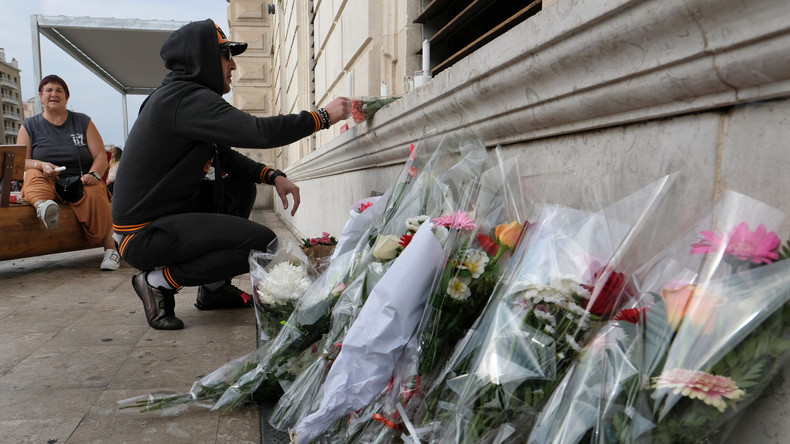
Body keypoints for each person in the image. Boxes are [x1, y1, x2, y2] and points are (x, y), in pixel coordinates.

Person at [111, 19, 350, 330]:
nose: (233, 65)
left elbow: (225, 155)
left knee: (240, 186)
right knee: (261, 244)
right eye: (225, 55)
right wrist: (321, 117)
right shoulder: (184, 98)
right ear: (202, 58)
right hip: (143, 234)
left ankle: (212, 288)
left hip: (165, 217)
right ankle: (157, 281)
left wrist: (272, 175)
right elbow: (259, 131)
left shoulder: (184, 97)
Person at [18, 74, 121, 271]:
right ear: (41, 95)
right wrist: (41, 165)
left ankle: (111, 250)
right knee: (32, 174)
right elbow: (22, 160)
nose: (54, 94)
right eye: (49, 90)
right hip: (48, 179)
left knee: (97, 191)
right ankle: (44, 206)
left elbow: (100, 155)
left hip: (80, 180)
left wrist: (94, 175)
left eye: (59, 90)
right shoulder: (29, 125)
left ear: (67, 96)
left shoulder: (83, 121)